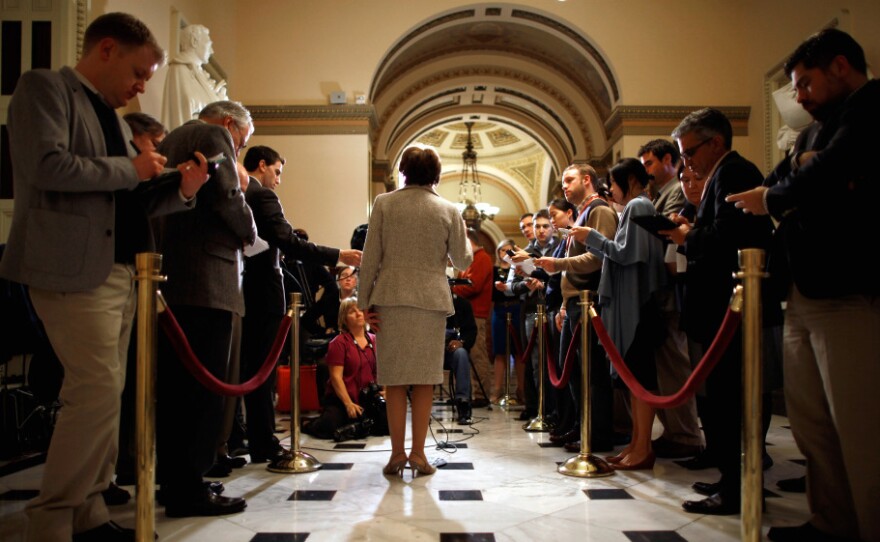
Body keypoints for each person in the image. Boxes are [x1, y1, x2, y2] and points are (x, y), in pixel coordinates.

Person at [0, 12, 210, 541]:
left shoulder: (115, 119)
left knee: (106, 392)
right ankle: (51, 516)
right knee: (93, 391)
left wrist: (181, 186)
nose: (142, 86)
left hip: (118, 269)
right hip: (70, 265)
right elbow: (46, 165)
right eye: (139, 73)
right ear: (107, 49)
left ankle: (88, 511)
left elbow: (128, 193)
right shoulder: (44, 88)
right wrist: (133, 169)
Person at [727, 29, 880, 542]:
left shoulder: (869, 106)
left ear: (840, 66)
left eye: (805, 83)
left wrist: (780, 194)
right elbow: (792, 177)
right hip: (805, 290)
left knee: (859, 425)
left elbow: (829, 173)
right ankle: (832, 521)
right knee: (812, 423)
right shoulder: (813, 133)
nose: (799, 97)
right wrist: (796, 178)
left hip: (850, 287)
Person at [661, 107, 777, 516]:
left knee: (731, 399)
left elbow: (732, 236)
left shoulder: (734, 172)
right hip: (716, 305)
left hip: (728, 305)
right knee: (719, 399)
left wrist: (687, 236)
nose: (685, 163)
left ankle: (739, 487)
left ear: (715, 142)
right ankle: (731, 477)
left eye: (689, 153)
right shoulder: (719, 176)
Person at [153, 100, 258, 518]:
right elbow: (229, 194)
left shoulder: (175, 136)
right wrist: (250, 230)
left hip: (175, 276)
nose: (239, 148)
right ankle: (189, 490)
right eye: (243, 141)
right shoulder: (214, 136)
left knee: (177, 391)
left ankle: (174, 480)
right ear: (230, 124)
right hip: (206, 280)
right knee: (202, 391)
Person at [240, 144, 362, 462]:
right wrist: (339, 255)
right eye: (277, 172)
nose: (278, 180)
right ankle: (263, 442)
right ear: (262, 165)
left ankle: (244, 436)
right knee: (261, 371)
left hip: (243, 289)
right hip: (262, 292)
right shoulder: (261, 195)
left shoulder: (240, 193)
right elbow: (288, 242)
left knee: (248, 370)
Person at [357, 145, 472, 478]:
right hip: (430, 302)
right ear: (436, 174)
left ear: (403, 171)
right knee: (424, 380)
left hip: (390, 300)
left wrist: (364, 304)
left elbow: (370, 258)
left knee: (393, 380)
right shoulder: (448, 209)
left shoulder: (384, 203)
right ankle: (419, 455)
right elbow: (463, 261)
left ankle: (396, 455)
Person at [570, 158, 666, 470]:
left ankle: (642, 447)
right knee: (635, 376)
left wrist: (591, 237)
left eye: (612, 183)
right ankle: (637, 445)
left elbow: (626, 253)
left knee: (640, 377)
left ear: (629, 180)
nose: (610, 190)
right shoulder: (635, 207)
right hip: (633, 298)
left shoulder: (638, 206)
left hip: (636, 301)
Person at [534, 164, 618, 453]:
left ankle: (597, 434)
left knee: (591, 373)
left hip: (589, 301)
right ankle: (582, 427)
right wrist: (564, 304)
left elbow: (599, 258)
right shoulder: (582, 213)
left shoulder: (599, 210)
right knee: (572, 372)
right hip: (574, 302)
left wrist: (557, 265)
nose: (565, 186)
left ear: (587, 179)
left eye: (569, 180)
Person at [638, 139, 703, 460]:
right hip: (661, 288)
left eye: (649, 164)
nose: (646, 171)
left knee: (675, 363)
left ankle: (687, 433)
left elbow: (674, 232)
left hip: (672, 287)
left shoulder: (678, 190)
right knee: (665, 366)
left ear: (668, 160)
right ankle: (677, 430)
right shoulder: (662, 193)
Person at [302, 298, 378, 439]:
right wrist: (348, 403)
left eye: (360, 309)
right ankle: (309, 424)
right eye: (352, 311)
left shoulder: (375, 340)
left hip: (368, 398)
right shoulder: (338, 343)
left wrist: (385, 391)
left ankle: (356, 425)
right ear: (344, 319)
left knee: (386, 424)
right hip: (342, 399)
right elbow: (336, 377)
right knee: (329, 425)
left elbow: (381, 371)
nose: (358, 313)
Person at [452, 228, 493, 405]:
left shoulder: (482, 259)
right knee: (464, 354)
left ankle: (481, 394)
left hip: (476, 312)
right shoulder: (470, 260)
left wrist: (450, 289)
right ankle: (466, 393)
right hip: (464, 313)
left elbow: (473, 286)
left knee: (477, 354)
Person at [161, 24, 228, 130]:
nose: (212, 51)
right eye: (208, 44)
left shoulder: (198, 72)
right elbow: (185, 109)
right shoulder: (180, 69)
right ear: (194, 41)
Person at [491, 238, 521, 410]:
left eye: (509, 250)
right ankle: (497, 390)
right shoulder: (493, 270)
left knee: (518, 351)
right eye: (502, 251)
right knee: (500, 351)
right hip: (499, 310)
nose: (505, 254)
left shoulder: (518, 269)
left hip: (517, 308)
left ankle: (521, 390)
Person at [446, 286, 478, 425]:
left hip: (452, 350)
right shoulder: (427, 303)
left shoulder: (462, 304)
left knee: (461, 354)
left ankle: (463, 402)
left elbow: (471, 331)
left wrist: (461, 342)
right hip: (430, 350)